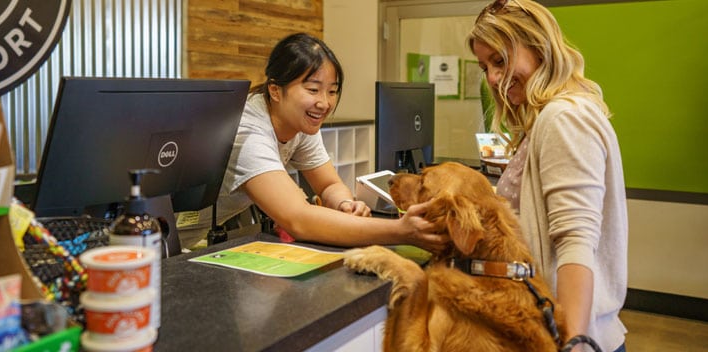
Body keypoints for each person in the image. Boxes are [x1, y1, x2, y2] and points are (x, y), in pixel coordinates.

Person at [469, 1, 628, 352]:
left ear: (539, 48)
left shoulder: (562, 118)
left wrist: (571, 344)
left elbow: (574, 243)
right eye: (485, 67)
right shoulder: (553, 114)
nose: (493, 78)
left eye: (500, 60)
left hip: (567, 336)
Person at [206, 32, 446, 253]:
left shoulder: (301, 123)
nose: (324, 103)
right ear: (275, 91)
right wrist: (401, 231)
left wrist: (344, 204)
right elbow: (298, 219)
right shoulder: (248, 132)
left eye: (332, 91)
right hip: (184, 242)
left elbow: (329, 184)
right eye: (313, 89)